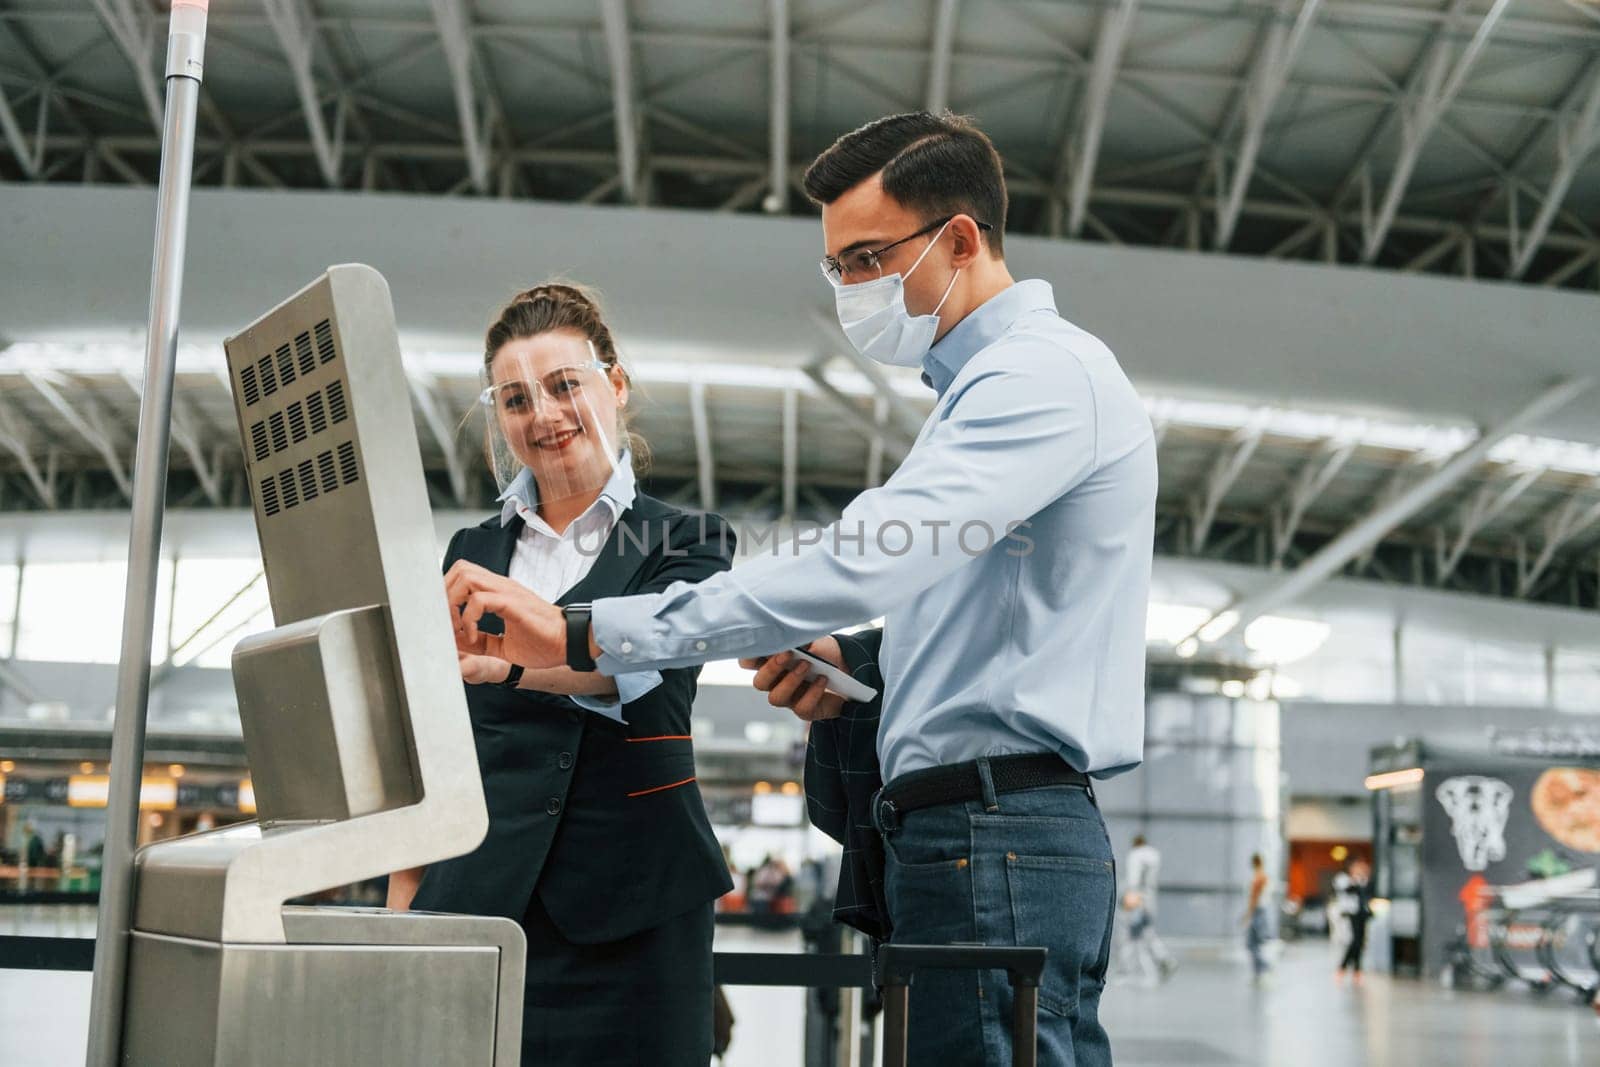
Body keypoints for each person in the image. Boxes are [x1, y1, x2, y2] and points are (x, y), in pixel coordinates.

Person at [442, 111, 1157, 1066]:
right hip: (966, 834)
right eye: (836, 268)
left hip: (999, 835)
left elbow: (861, 560)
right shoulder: (976, 397)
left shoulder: (1040, 378)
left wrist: (576, 632)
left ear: (959, 239)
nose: (851, 289)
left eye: (866, 259)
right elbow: (975, 621)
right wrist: (856, 665)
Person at [389, 284, 737, 1066]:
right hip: (480, 904)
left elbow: (649, 678)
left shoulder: (689, 541)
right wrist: (403, 900)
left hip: (636, 914)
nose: (541, 415)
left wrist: (515, 663)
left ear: (613, 386)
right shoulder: (469, 550)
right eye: (515, 398)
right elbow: (435, 738)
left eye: (563, 385)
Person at [1122, 834, 1176, 983]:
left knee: (1133, 937)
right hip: (1150, 898)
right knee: (1148, 932)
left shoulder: (1135, 855)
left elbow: (1134, 879)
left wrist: (1130, 899)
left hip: (1137, 899)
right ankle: (1165, 958)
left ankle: (1133, 971)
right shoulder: (1154, 855)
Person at [1335, 859, 1373, 984]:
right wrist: (1356, 880)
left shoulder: (1364, 880)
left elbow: (1367, 893)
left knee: (1360, 942)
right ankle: (1343, 967)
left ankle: (1357, 970)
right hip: (1351, 914)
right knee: (1355, 941)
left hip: (1362, 914)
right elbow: (1348, 890)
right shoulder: (1343, 879)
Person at [1244, 853, 1274, 984]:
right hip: (1260, 911)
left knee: (1252, 943)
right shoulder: (1263, 877)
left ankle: (1265, 967)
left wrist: (1248, 914)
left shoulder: (1259, 878)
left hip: (1257, 912)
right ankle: (1258, 972)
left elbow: (1254, 898)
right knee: (1254, 943)